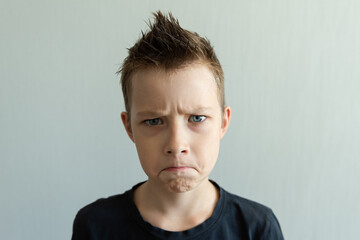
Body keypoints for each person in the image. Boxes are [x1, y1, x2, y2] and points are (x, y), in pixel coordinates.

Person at [71, 11, 284, 240]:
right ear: (129, 127)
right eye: (153, 121)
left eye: (197, 118)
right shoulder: (96, 227)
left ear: (223, 122)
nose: (176, 144)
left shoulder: (257, 228)